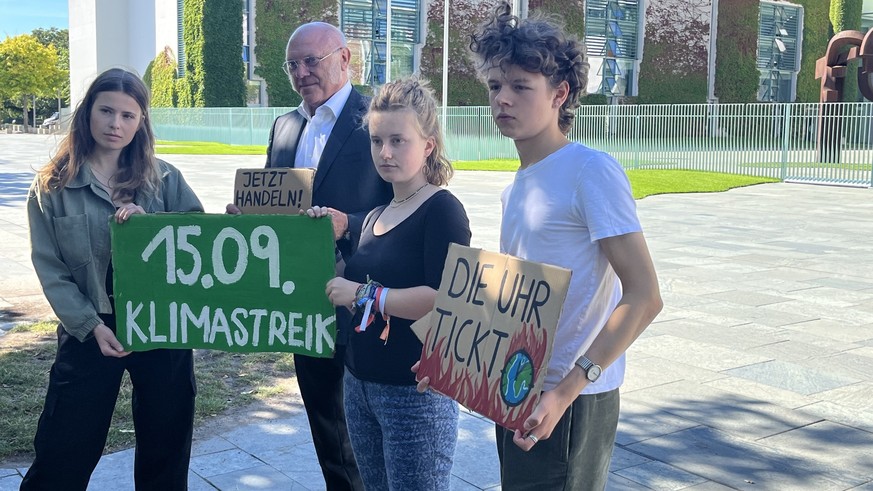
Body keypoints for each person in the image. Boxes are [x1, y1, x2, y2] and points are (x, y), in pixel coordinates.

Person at [465, 3, 663, 490]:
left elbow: (644, 295)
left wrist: (568, 390)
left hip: (570, 397)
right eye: (495, 86)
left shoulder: (589, 171)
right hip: (517, 384)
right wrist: (457, 362)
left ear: (560, 94)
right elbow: (516, 297)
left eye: (520, 87)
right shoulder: (520, 184)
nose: (502, 100)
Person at [226, 21, 393, 490]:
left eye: (312, 61)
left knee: (373, 431)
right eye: (292, 64)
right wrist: (248, 219)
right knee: (327, 426)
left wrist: (351, 224)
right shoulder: (284, 125)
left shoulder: (379, 117)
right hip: (301, 298)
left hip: (365, 296)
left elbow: (411, 202)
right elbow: (272, 207)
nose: (301, 72)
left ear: (344, 59)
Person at [22, 68, 203, 490]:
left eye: (128, 115)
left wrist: (153, 226)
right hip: (92, 326)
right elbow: (50, 268)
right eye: (106, 111)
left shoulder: (166, 178)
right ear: (87, 113)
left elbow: (198, 237)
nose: (115, 124)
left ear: (141, 121)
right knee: (64, 443)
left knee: (167, 441)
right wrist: (89, 325)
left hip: (163, 322)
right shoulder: (52, 185)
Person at [307, 77, 471, 490]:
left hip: (414, 393)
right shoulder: (377, 214)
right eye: (377, 140)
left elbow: (445, 298)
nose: (385, 152)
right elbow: (349, 289)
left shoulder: (442, 210)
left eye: (399, 140)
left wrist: (363, 295)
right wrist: (310, 245)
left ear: (428, 144)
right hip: (359, 385)